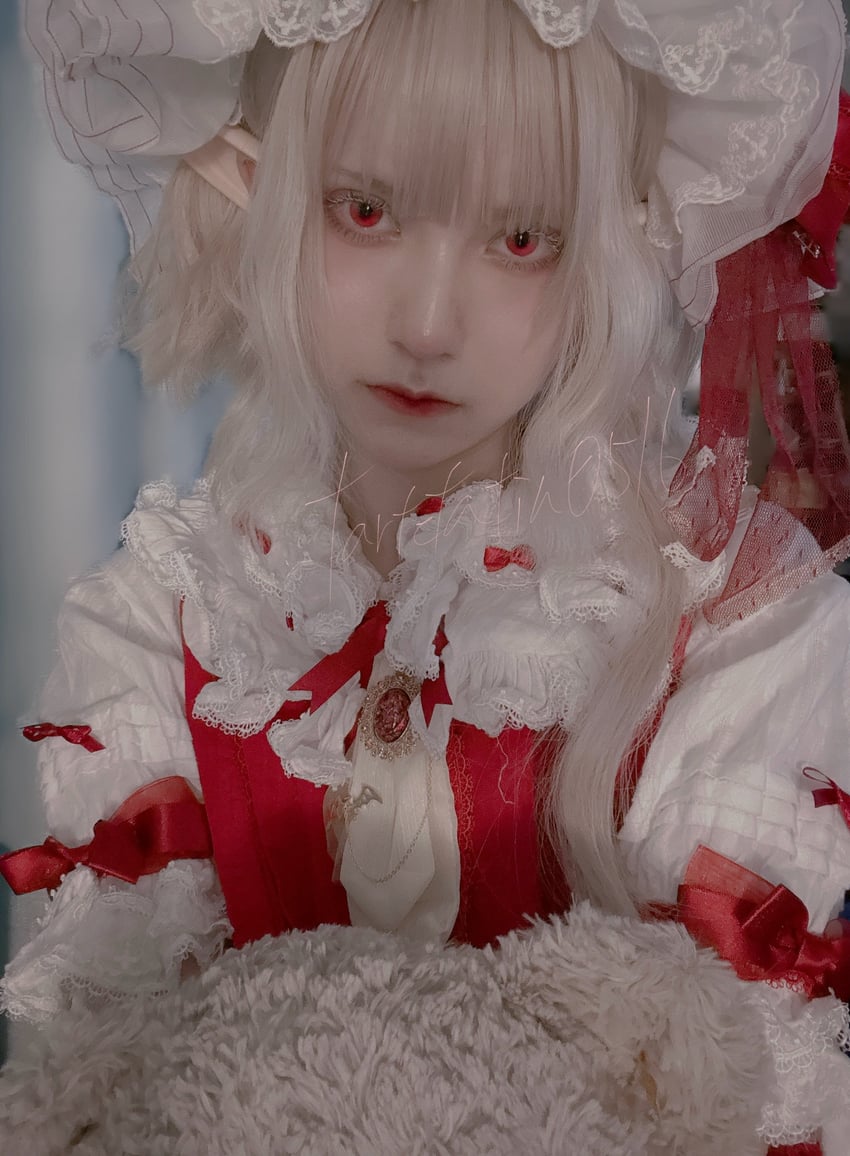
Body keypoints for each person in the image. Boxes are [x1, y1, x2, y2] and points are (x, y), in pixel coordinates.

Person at [2, 0, 850, 1149]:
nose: (428, 322)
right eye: (365, 210)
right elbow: (107, 1088)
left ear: (615, 244)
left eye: (521, 239)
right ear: (257, 183)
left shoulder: (735, 623)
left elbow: (735, 1106)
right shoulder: (161, 620)